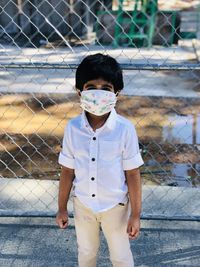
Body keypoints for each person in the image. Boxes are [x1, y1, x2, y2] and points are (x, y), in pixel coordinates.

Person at [56, 53, 144, 267]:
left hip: (116, 206)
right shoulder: (73, 129)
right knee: (86, 253)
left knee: (120, 256)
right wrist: (62, 208)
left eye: (106, 88)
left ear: (117, 93)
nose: (98, 93)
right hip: (83, 205)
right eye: (91, 87)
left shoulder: (125, 130)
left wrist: (135, 215)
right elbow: (67, 171)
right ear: (79, 92)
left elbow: (132, 173)